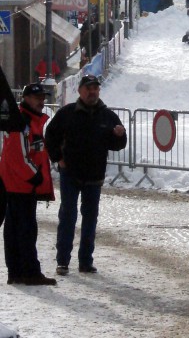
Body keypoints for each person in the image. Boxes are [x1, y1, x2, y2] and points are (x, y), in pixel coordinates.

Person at [45, 75, 127, 276]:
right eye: (89, 88)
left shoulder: (107, 116)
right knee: (68, 216)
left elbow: (117, 145)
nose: (92, 92)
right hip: (70, 175)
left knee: (90, 219)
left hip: (94, 177)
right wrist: (58, 158)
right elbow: (50, 136)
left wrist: (120, 136)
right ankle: (62, 261)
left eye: (95, 89)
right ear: (80, 91)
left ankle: (85, 261)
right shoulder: (67, 113)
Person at [0, 83, 56, 285]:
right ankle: (29, 272)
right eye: (37, 97)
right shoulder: (21, 121)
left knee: (16, 229)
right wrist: (35, 175)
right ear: (26, 99)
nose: (42, 101)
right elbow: (17, 155)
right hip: (21, 184)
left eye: (43, 97)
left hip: (17, 183)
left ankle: (16, 272)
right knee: (25, 229)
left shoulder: (26, 119)